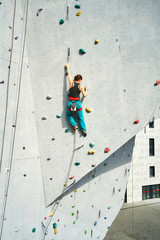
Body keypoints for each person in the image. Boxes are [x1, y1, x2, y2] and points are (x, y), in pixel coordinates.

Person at [65, 64, 88, 137]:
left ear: (75, 79)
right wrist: (86, 89)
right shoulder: (80, 86)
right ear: (80, 80)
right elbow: (84, 95)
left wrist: (67, 67)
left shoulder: (71, 83)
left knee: (69, 115)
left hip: (71, 103)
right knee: (80, 117)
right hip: (78, 103)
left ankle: (74, 125)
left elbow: (69, 74)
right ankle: (83, 129)